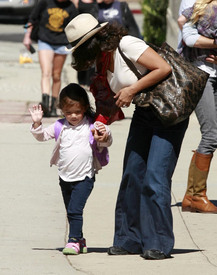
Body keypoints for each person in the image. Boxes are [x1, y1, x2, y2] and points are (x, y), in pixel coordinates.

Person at [64, 13, 189, 260]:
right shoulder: (102, 62)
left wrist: (132, 89)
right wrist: (98, 126)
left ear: (93, 40)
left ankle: (158, 242)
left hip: (168, 114)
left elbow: (162, 68)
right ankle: (128, 239)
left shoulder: (127, 45)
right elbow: (109, 104)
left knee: (155, 176)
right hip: (144, 115)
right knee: (132, 174)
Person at [29, 83, 113, 255]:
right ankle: (80, 239)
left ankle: (73, 240)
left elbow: (106, 140)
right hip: (64, 177)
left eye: (77, 112)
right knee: (70, 211)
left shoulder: (92, 125)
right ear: (62, 110)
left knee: (75, 210)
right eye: (68, 112)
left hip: (85, 177)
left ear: (85, 108)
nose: (73, 116)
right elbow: (42, 136)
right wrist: (37, 123)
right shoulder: (60, 126)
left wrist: (103, 135)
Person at [179, 0, 217, 213]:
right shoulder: (196, 5)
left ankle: (191, 196)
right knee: (211, 135)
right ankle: (196, 196)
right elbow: (189, 38)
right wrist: (214, 44)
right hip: (202, 74)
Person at [23, 0, 78, 117]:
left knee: (56, 75)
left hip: (62, 43)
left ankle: (53, 106)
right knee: (46, 73)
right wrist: (27, 37)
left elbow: (75, 26)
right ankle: (45, 103)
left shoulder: (71, 6)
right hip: (45, 41)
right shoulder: (45, 2)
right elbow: (32, 19)